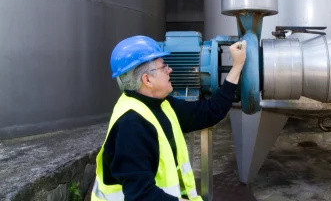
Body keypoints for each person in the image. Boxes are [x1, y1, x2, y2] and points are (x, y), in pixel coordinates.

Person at [91, 35, 246, 201]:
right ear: (147, 79)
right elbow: (141, 195)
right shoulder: (131, 125)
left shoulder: (162, 105)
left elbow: (208, 112)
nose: (170, 70)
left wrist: (237, 66)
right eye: (163, 66)